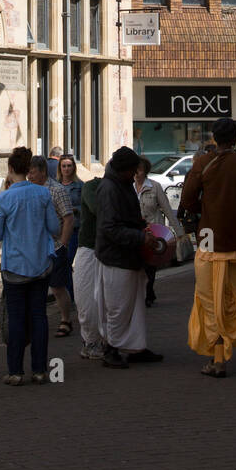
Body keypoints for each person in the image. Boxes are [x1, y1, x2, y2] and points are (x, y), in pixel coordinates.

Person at [182, 117, 236, 379]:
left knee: (211, 301)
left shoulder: (202, 163)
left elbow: (187, 199)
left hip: (210, 237)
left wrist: (207, 210)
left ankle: (218, 360)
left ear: (213, 137)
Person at [0, 146, 60, 385]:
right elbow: (54, 228)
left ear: (10, 169)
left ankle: (15, 371)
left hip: (14, 266)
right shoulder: (42, 194)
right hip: (40, 264)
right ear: (29, 168)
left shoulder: (5, 198)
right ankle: (39, 369)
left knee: (16, 318)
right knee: (39, 316)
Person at [95, 146, 162, 367]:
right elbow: (110, 228)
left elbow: (123, 221)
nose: (135, 175)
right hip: (117, 256)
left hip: (126, 254)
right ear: (124, 170)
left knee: (133, 304)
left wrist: (142, 228)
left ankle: (135, 345)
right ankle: (111, 348)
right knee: (119, 305)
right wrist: (140, 237)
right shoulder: (110, 189)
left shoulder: (119, 184)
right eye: (132, 170)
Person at [28, 155, 75, 335]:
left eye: (32, 173)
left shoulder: (57, 190)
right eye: (28, 173)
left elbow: (68, 218)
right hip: (34, 248)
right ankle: (37, 322)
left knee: (57, 287)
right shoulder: (29, 190)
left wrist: (63, 244)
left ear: (42, 172)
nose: (30, 177)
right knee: (35, 288)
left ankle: (65, 319)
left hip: (55, 246)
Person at [134, 157, 182, 306]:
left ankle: (148, 294)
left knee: (150, 265)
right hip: (137, 232)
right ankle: (148, 292)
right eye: (135, 170)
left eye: (140, 170)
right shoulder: (129, 187)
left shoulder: (155, 187)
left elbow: (167, 209)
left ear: (145, 171)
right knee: (139, 265)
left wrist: (178, 232)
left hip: (154, 232)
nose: (137, 173)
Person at [74, 175, 106, 359]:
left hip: (107, 250)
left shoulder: (121, 189)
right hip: (88, 249)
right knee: (86, 299)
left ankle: (103, 341)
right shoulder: (91, 187)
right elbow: (96, 209)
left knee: (105, 300)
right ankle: (90, 341)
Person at [57, 153, 83, 275]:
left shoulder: (80, 185)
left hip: (73, 227)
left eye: (69, 166)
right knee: (60, 262)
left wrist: (75, 209)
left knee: (68, 260)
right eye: (64, 166)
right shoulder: (55, 185)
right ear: (60, 168)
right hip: (58, 228)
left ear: (73, 167)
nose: (66, 169)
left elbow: (85, 208)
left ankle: (69, 291)